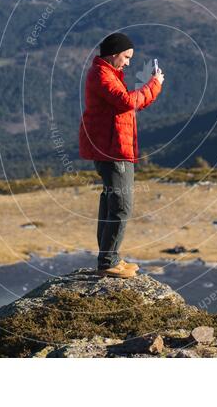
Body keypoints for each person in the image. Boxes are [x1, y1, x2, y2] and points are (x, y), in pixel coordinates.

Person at [78, 32, 165, 278]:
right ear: (114, 53)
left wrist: (151, 89)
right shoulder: (102, 75)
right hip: (113, 149)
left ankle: (110, 257)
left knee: (110, 202)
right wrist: (154, 85)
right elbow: (127, 101)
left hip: (112, 146)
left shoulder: (107, 73)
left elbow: (128, 103)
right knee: (121, 205)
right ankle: (108, 262)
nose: (128, 62)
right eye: (126, 57)